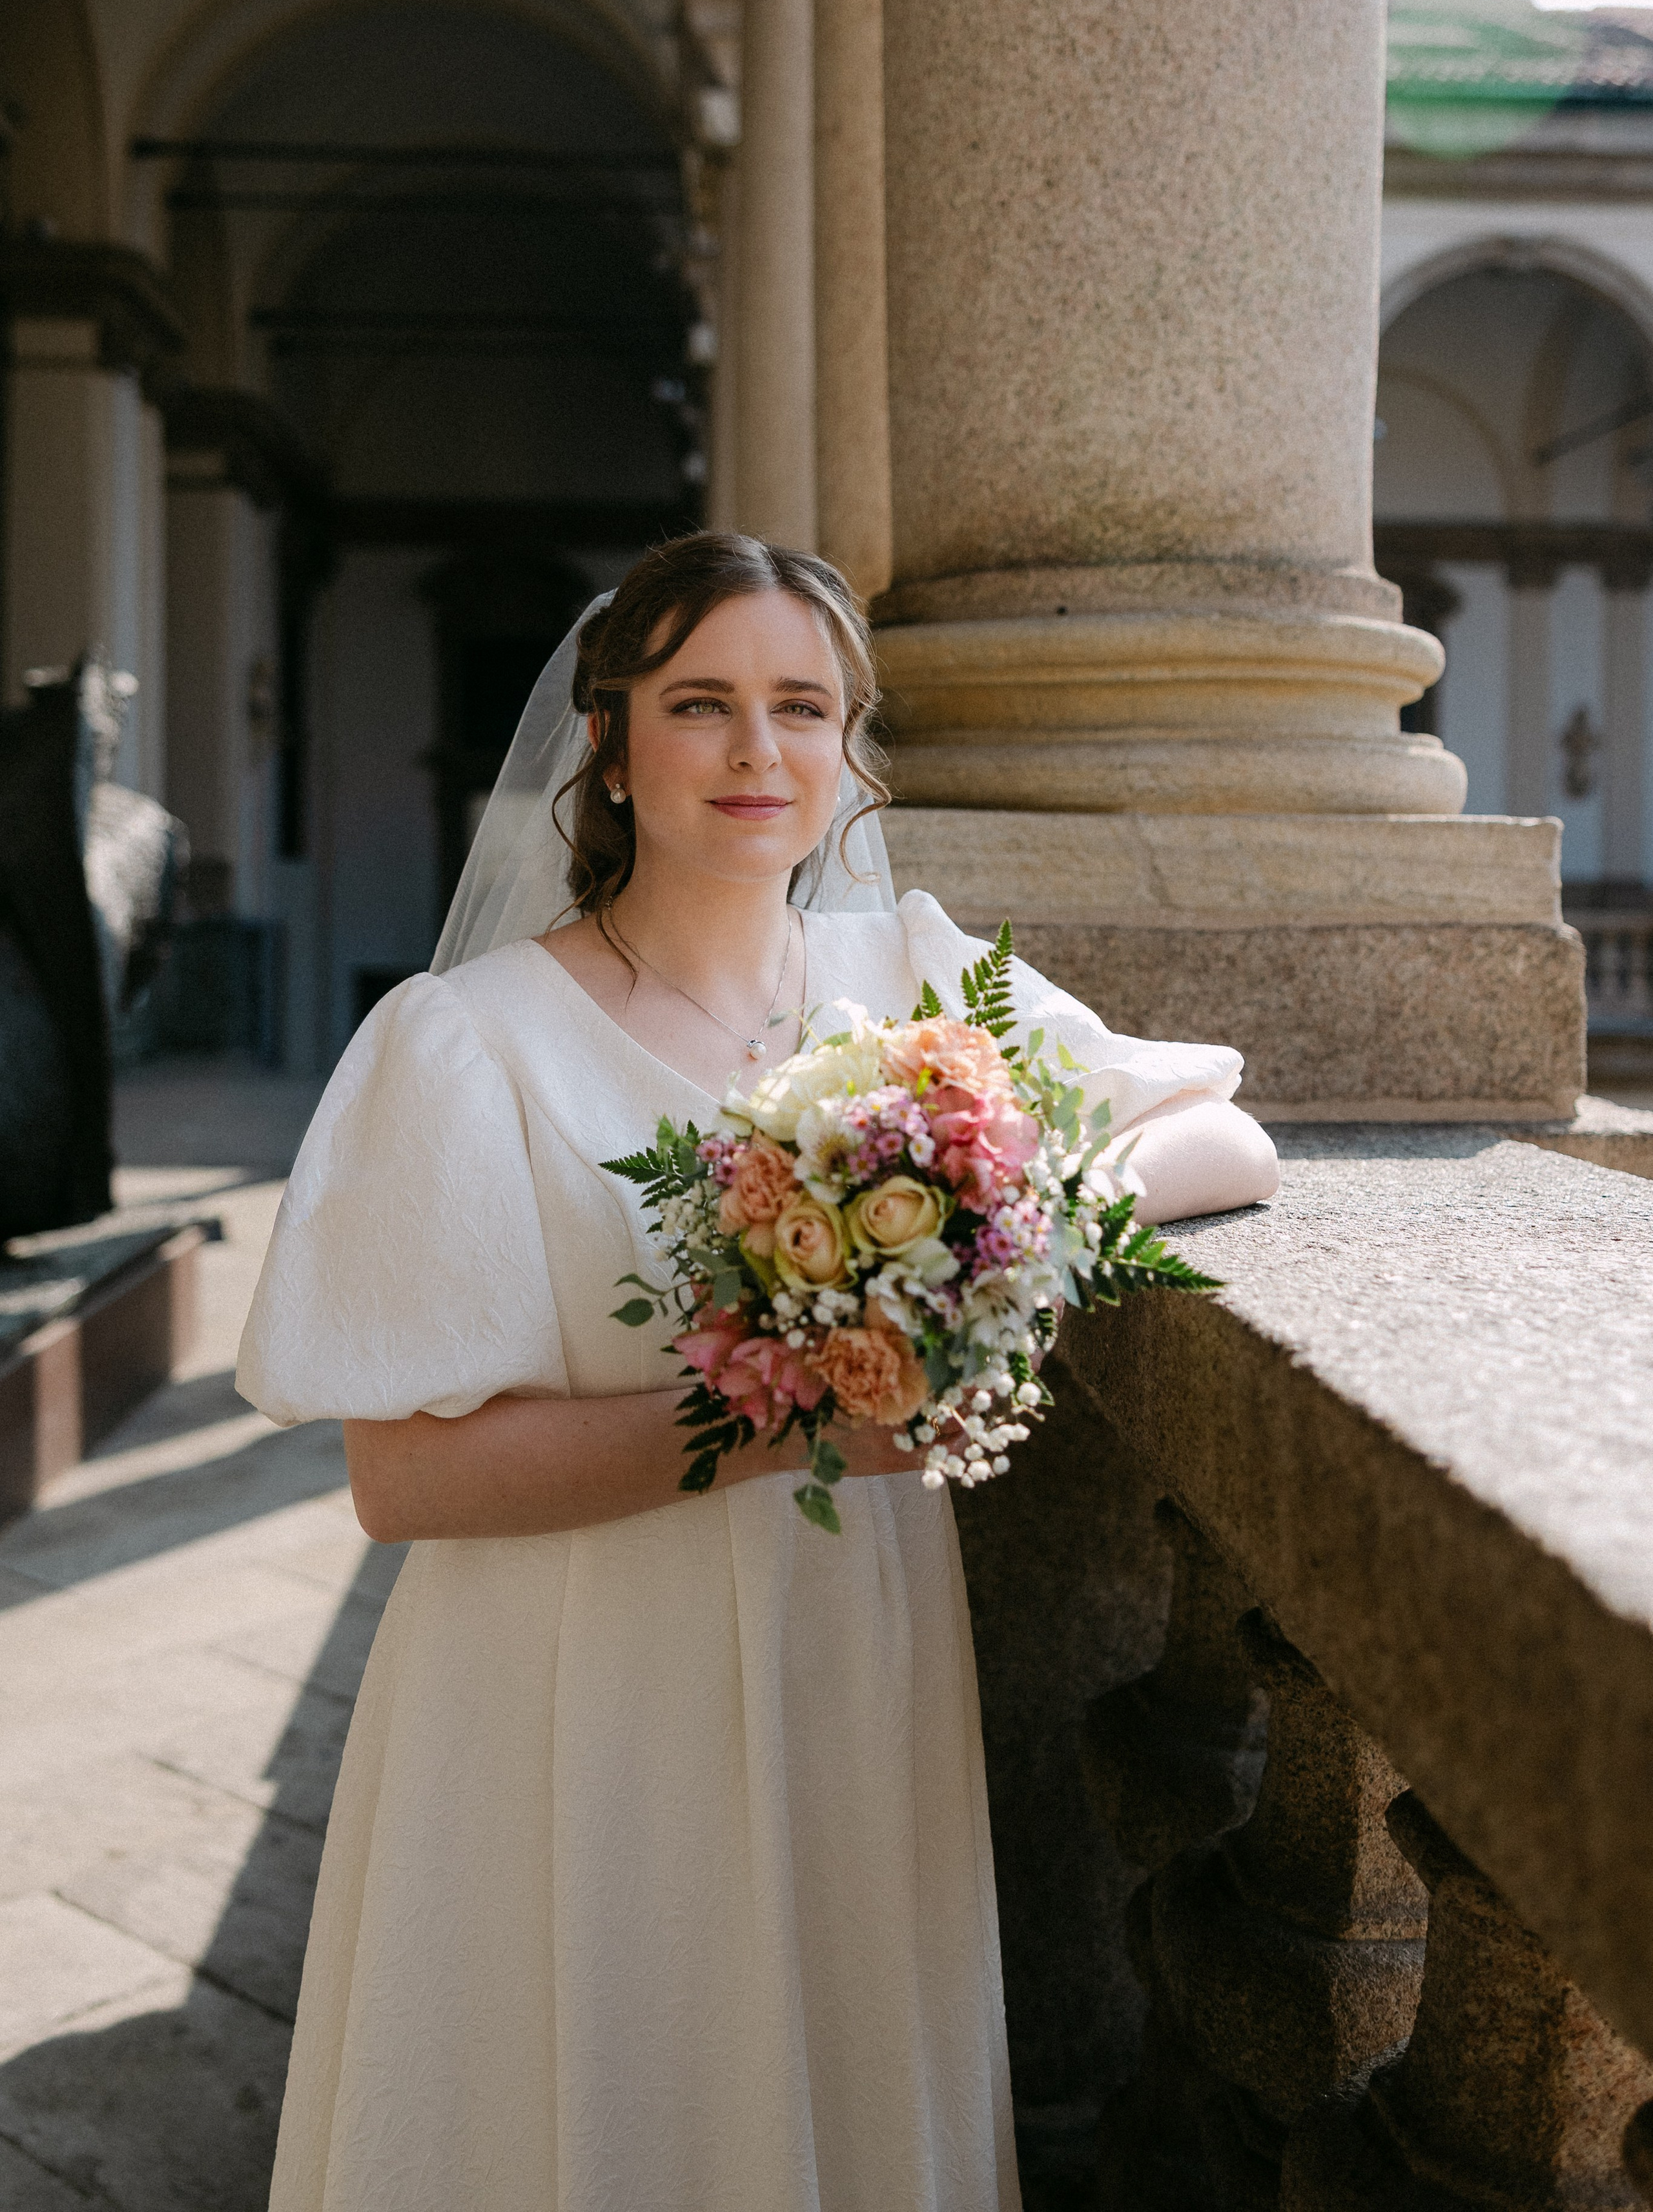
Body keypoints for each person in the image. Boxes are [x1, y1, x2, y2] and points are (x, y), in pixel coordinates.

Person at [237, 531, 1278, 2212]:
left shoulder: (917, 980)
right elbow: (403, 1476)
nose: (758, 751)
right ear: (610, 745)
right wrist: (788, 1409)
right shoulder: (467, 1042)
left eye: (803, 706)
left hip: (847, 1657)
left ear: (851, 748)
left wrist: (1009, 1228)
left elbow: (1224, 1133)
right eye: (702, 704)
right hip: (574, 1688)